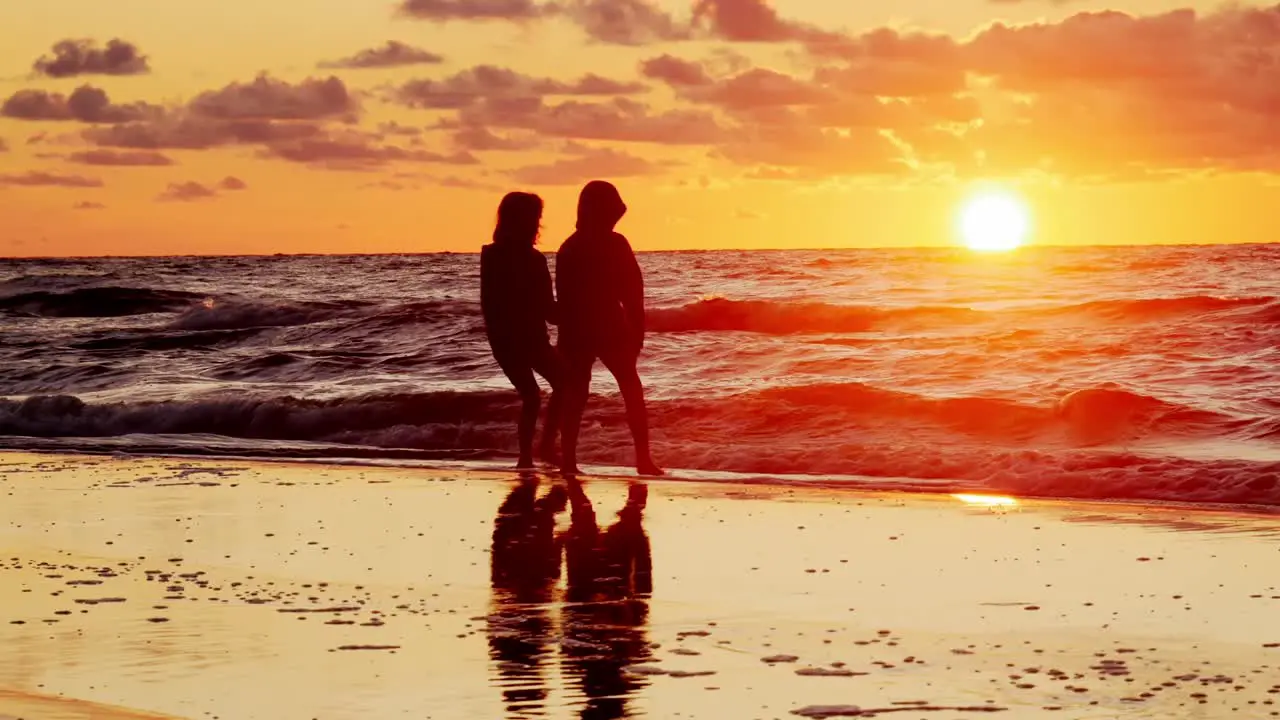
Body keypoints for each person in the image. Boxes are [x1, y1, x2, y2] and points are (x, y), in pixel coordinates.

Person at [556, 181, 662, 477]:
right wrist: (636, 327)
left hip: (583, 329)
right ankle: (643, 460)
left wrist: (635, 325)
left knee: (578, 396)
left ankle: (569, 461)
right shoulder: (613, 244)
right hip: (605, 326)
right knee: (629, 390)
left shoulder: (569, 247)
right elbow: (633, 290)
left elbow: (566, 300)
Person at [480, 192, 561, 468]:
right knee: (561, 386)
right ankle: (543, 449)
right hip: (527, 340)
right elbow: (549, 311)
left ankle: (527, 456)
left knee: (531, 396)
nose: (538, 223)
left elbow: (490, 306)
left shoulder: (491, 256)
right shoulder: (532, 260)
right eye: (535, 217)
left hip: (503, 341)